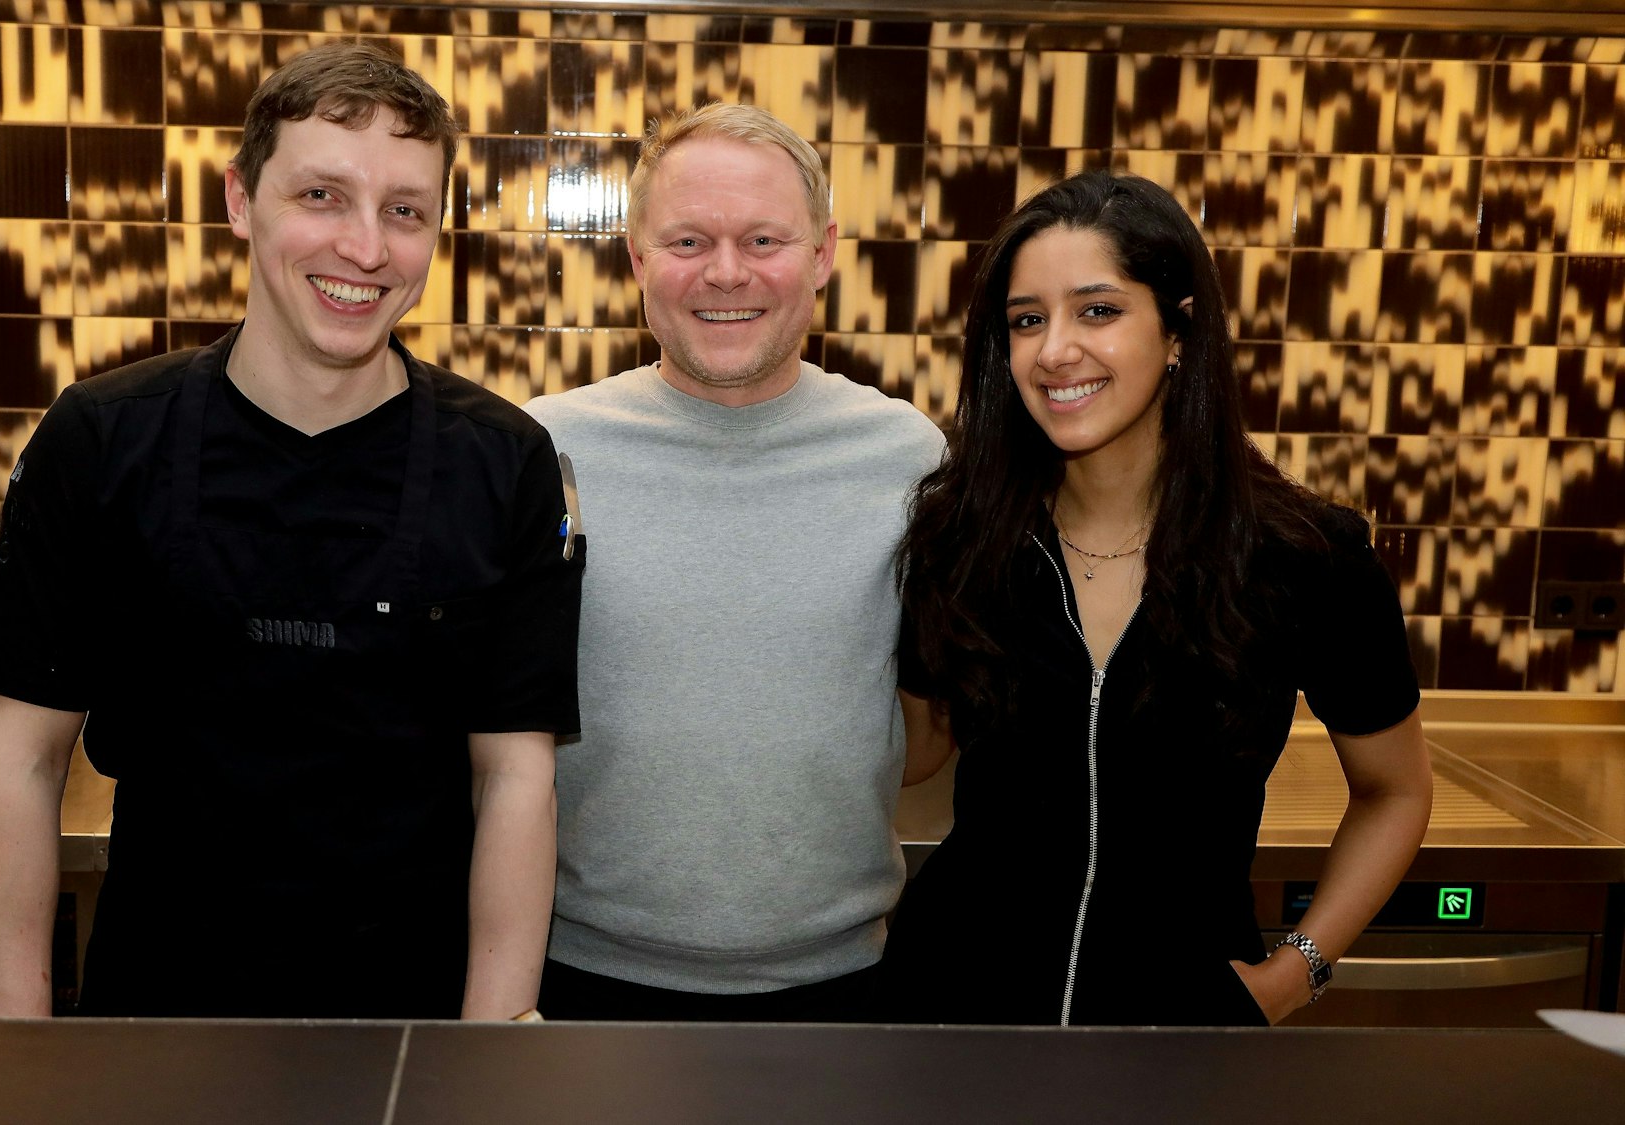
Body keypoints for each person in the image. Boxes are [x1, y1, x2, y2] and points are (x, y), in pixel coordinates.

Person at [0, 43, 580, 1020]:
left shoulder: (502, 463)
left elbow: (513, 778)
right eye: (322, 197)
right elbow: (22, 759)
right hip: (156, 1022)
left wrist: (488, 1054)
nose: (365, 249)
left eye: (403, 211)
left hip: (410, 1032)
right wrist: (11, 1048)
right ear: (241, 200)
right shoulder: (103, 437)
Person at [883, 169, 1433, 1026]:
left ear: (1178, 329)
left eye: (1098, 310)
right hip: (951, 1021)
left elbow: (1396, 791)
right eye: (1027, 320)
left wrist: (1298, 972)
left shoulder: (1303, 555)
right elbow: (914, 753)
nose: (1055, 349)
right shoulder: (960, 536)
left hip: (1182, 1040)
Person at [522, 103, 947, 1022]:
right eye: (687, 240)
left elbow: (928, 726)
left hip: (843, 988)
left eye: (764, 238)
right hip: (582, 984)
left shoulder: (909, 457)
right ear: (637, 258)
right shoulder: (542, 452)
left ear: (824, 252)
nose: (725, 272)